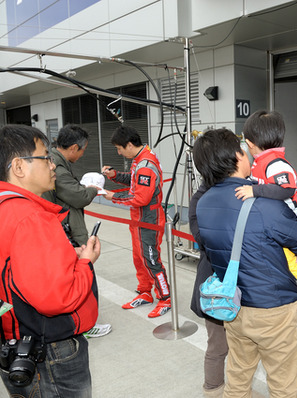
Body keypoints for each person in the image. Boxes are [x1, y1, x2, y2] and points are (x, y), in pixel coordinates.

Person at [193, 128, 297, 398]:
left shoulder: (204, 203)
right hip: (274, 310)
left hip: (234, 308)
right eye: (243, 149)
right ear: (236, 157)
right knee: (283, 385)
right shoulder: (262, 202)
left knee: (237, 380)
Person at [0, 124, 101, 397]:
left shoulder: (5, 208)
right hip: (50, 350)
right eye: (45, 157)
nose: (52, 165)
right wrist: (85, 261)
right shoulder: (30, 217)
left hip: (16, 343)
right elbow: (58, 297)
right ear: (19, 166)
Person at [233, 109, 297, 330]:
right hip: (276, 224)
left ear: (250, 143)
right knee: (287, 263)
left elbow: (286, 188)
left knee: (293, 265)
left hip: (289, 222)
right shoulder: (261, 161)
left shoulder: (274, 162)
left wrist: (255, 191)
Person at [42, 124, 112, 338]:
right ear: (73, 147)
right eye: (83, 149)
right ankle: (86, 324)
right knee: (83, 274)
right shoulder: (58, 168)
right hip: (67, 231)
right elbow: (79, 197)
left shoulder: (57, 162)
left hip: (65, 227)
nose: (83, 154)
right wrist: (92, 189)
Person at [101, 126, 171, 318]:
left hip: (149, 220)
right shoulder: (139, 160)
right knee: (139, 259)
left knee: (151, 260)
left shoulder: (146, 165)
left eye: (120, 148)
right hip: (138, 219)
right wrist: (114, 175)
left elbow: (140, 197)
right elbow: (134, 183)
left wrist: (112, 196)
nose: (119, 152)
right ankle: (145, 292)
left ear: (130, 145)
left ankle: (165, 298)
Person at [189, 183, 228, 398]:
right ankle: (214, 391)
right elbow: (204, 239)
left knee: (243, 347)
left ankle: (237, 390)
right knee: (218, 344)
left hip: (241, 283)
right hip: (216, 285)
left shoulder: (243, 188)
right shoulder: (201, 198)